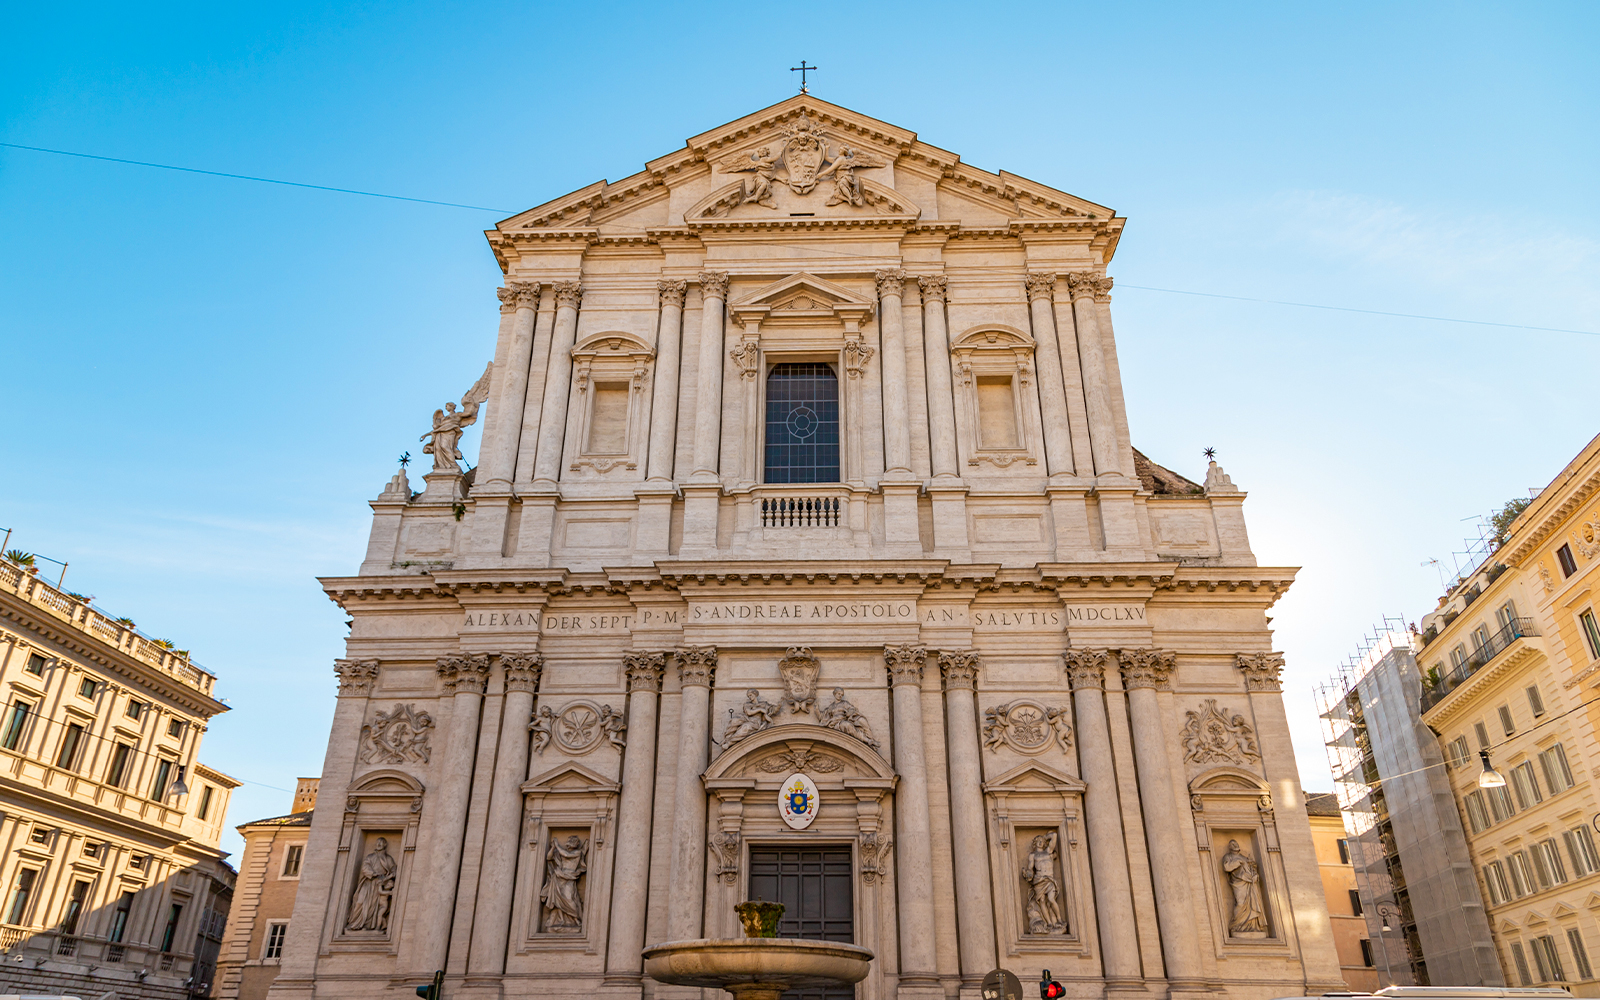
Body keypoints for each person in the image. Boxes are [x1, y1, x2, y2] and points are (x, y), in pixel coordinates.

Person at [346, 837, 397, 932]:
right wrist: (374, 874)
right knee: (360, 902)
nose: (378, 844)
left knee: (374, 906)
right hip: (368, 882)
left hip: (380, 884)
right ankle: (355, 922)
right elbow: (365, 868)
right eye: (377, 842)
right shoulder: (370, 857)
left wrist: (389, 876)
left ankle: (367, 925)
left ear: (385, 845)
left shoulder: (388, 859)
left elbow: (394, 869)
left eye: (381, 842)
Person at [540, 835, 588, 932]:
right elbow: (549, 857)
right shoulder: (560, 852)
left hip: (569, 877)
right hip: (559, 878)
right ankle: (568, 921)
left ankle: (577, 919)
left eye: (574, 841)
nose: (573, 843)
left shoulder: (577, 853)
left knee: (569, 899)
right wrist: (553, 847)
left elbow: (566, 855)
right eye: (571, 841)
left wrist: (557, 844)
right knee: (558, 901)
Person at [1020, 832, 1065, 934]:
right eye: (1038, 841)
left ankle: (1059, 919)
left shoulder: (1048, 851)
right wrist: (1027, 873)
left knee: (1051, 899)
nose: (1040, 843)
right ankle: (1049, 923)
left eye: (1042, 841)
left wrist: (1044, 837)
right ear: (1035, 843)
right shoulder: (1033, 855)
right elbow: (1031, 869)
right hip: (1038, 880)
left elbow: (1054, 835)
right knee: (1042, 901)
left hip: (1049, 879)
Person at [1222, 839, 1267, 934]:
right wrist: (1238, 862)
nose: (1234, 845)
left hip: (1249, 883)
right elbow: (1227, 867)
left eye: (1235, 843)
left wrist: (1255, 875)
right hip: (1238, 883)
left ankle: (1251, 926)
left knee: (1251, 904)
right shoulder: (1228, 857)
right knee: (1240, 903)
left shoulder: (1245, 858)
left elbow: (1253, 869)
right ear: (1229, 847)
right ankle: (1237, 925)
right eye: (1232, 844)